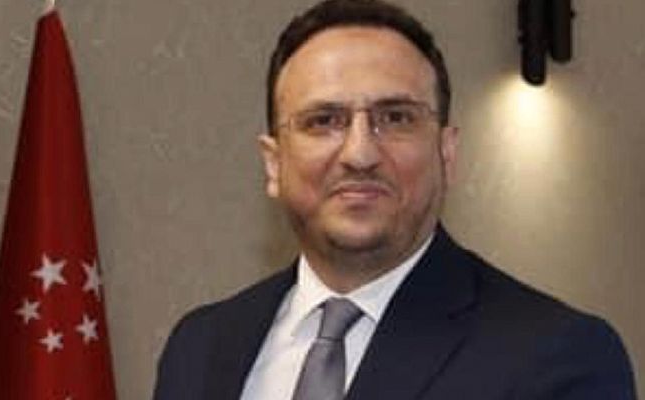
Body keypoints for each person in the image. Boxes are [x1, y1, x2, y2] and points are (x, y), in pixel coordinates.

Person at [153, 0, 637, 399]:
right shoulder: (199, 348)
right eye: (323, 121)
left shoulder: (557, 357)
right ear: (273, 163)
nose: (360, 154)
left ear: (447, 153)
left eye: (396, 117)